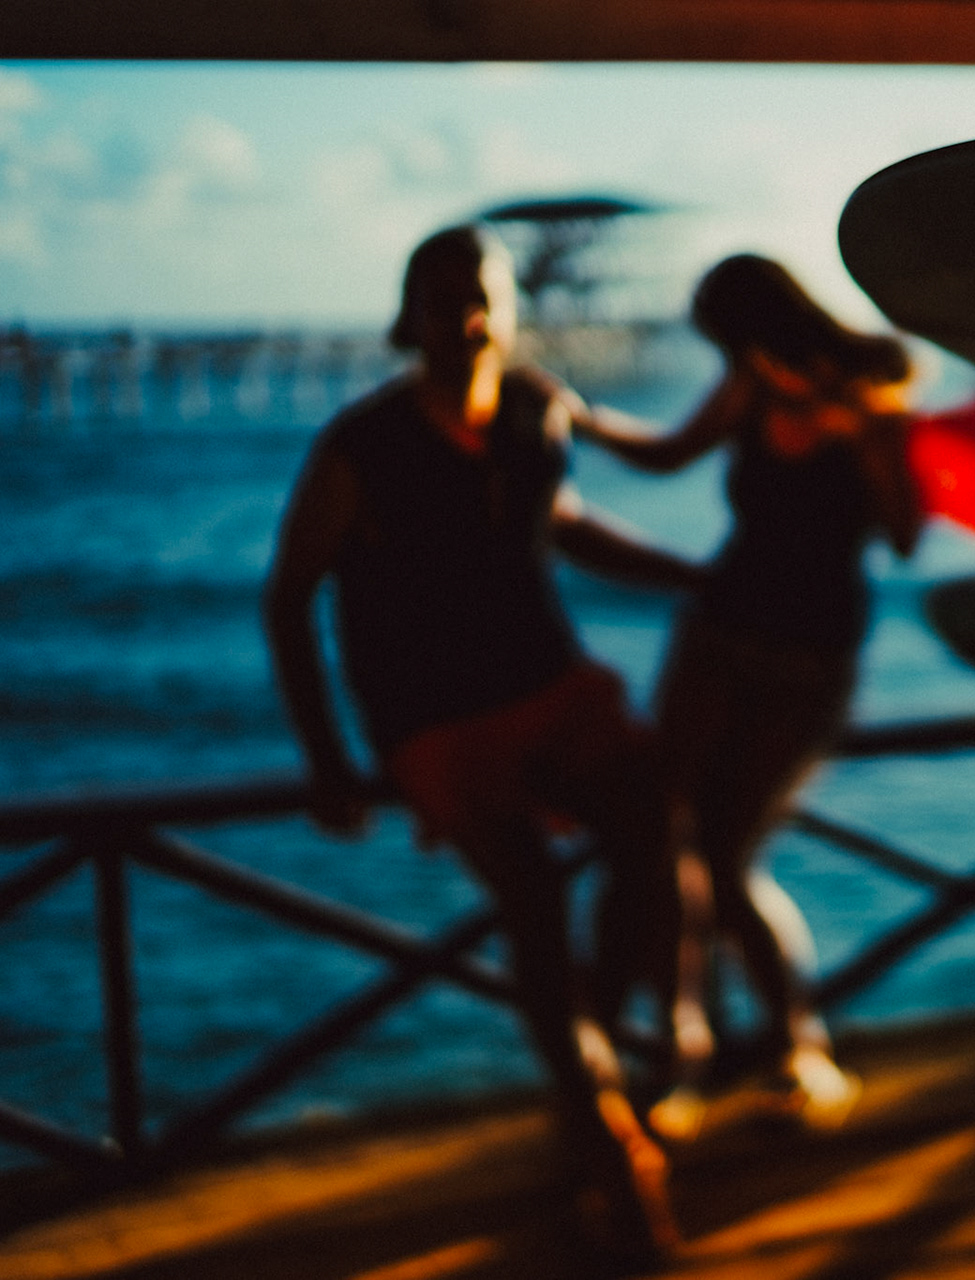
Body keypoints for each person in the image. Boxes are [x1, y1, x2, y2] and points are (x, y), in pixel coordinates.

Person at [263, 224, 699, 1264]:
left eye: (484, 294)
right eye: (443, 296)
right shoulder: (358, 447)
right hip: (434, 713)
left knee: (657, 841)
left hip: (546, 681)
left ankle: (601, 1057)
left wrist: (701, 576)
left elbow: (570, 523)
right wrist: (327, 757)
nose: (466, 315)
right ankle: (605, 1135)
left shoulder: (537, 410)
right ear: (407, 318)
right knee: (536, 901)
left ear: (510, 310)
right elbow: (288, 598)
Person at [574, 254, 924, 1139]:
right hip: (718, 632)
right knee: (663, 835)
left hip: (811, 658)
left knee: (726, 856)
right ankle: (684, 1048)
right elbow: (665, 456)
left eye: (732, 340)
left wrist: (864, 435)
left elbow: (906, 536)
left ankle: (795, 1046)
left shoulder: (872, 388)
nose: (733, 359)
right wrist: (579, 420)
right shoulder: (747, 390)